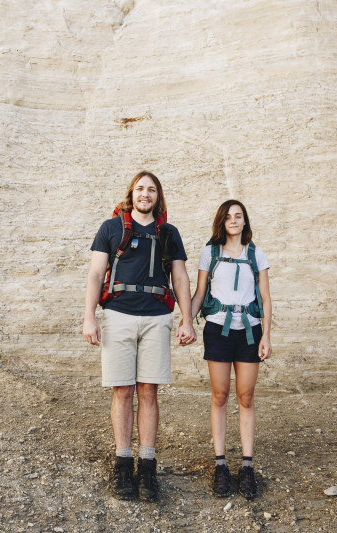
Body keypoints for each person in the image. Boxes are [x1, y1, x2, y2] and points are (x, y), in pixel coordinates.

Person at [83, 171, 197, 501]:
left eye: (151, 190)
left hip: (157, 318)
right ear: (131, 194)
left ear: (158, 197)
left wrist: (187, 320)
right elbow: (95, 273)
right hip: (118, 315)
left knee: (148, 390)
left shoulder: (169, 233)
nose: (144, 194)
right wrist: (89, 317)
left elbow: (181, 277)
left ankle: (147, 467)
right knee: (123, 391)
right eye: (139, 189)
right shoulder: (111, 228)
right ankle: (122, 464)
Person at [188, 199, 272, 499]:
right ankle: (221, 464)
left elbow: (265, 297)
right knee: (220, 395)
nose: (233, 221)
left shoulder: (256, 255)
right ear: (221, 222)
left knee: (246, 397)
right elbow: (199, 293)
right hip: (218, 329)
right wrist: (186, 321)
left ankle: (247, 467)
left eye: (239, 216)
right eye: (228, 217)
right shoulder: (209, 253)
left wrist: (266, 336)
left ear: (245, 222)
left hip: (249, 331)